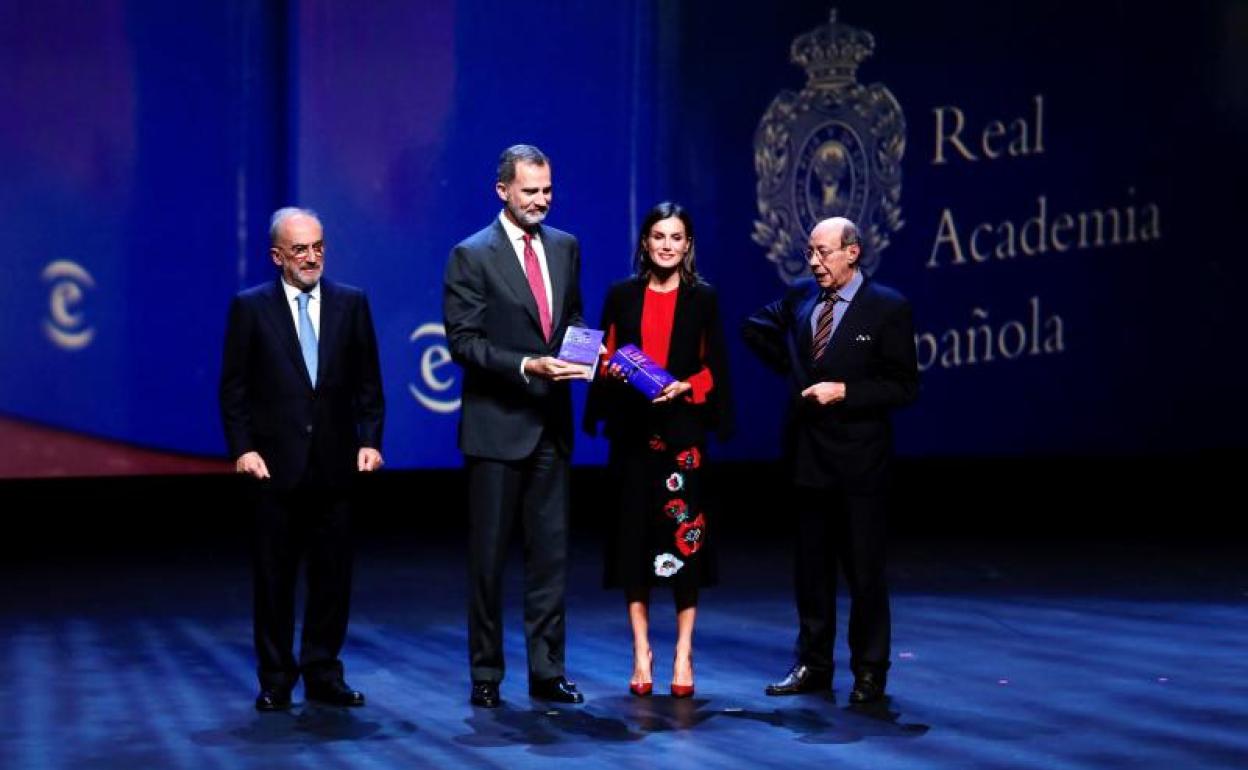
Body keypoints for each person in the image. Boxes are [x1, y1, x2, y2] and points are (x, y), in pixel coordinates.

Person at [742, 216, 918, 705]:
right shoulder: (802, 296)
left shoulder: (887, 307)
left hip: (861, 462)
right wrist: (794, 371)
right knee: (812, 572)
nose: (815, 262)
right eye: (811, 253)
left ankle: (869, 672)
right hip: (808, 457)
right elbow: (755, 328)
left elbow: (904, 386)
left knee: (864, 574)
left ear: (852, 253)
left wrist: (845, 391)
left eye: (824, 252)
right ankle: (814, 665)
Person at [219, 207, 385, 711]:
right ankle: (275, 678)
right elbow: (234, 389)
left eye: (318, 247)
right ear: (277, 256)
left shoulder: (351, 303)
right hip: (274, 468)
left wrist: (370, 440)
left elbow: (369, 385)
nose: (312, 257)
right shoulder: (251, 308)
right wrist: (243, 449)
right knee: (274, 580)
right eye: (300, 250)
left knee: (333, 579)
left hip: (336, 466)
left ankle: (323, 673)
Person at [443, 144, 587, 708]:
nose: (541, 200)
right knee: (488, 561)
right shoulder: (471, 255)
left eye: (547, 190)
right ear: (502, 190)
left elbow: (571, 318)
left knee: (550, 557)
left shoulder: (566, 246)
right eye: (530, 191)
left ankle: (547, 671)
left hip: (551, 424)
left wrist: (583, 355)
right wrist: (528, 365)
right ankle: (486, 672)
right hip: (497, 427)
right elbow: (464, 342)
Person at [584, 202, 732, 698]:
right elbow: (602, 356)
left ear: (688, 245)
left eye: (676, 237)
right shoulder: (621, 294)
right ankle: (641, 651)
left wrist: (687, 386)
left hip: (682, 439)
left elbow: (716, 367)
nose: (667, 245)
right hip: (632, 438)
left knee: (685, 544)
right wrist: (610, 369)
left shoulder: (703, 297)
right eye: (658, 236)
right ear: (645, 243)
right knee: (634, 543)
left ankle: (684, 652)